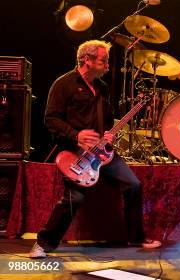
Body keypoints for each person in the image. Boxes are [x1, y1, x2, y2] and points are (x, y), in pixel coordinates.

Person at [30, 40, 160, 258]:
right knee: (75, 198)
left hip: (102, 152)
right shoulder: (63, 84)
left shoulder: (103, 87)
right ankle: (43, 243)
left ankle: (136, 237)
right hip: (75, 153)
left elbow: (108, 120)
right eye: (104, 60)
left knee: (134, 185)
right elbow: (50, 119)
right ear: (86, 60)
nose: (108, 64)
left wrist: (110, 132)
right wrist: (76, 135)